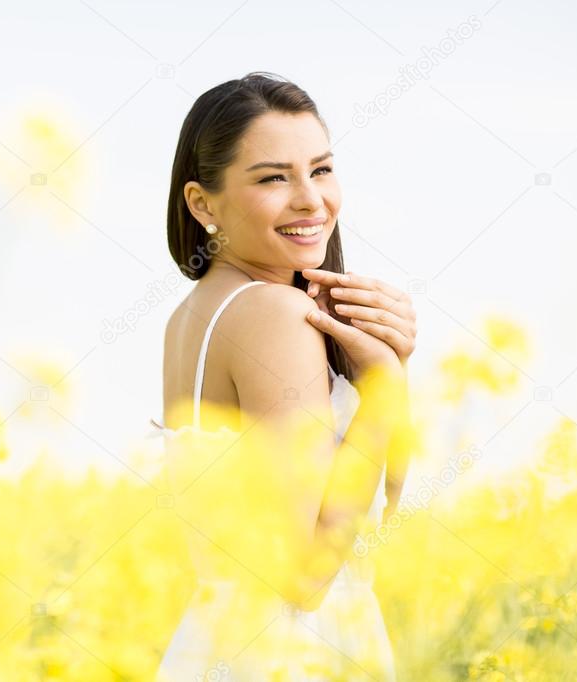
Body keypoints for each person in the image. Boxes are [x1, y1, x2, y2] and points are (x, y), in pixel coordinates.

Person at [153, 72, 417, 680]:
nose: (310, 199)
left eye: (320, 169)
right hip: (295, 656)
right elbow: (305, 576)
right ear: (202, 203)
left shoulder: (194, 315)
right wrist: (381, 394)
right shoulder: (273, 313)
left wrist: (389, 370)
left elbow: (384, 516)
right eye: (274, 177)